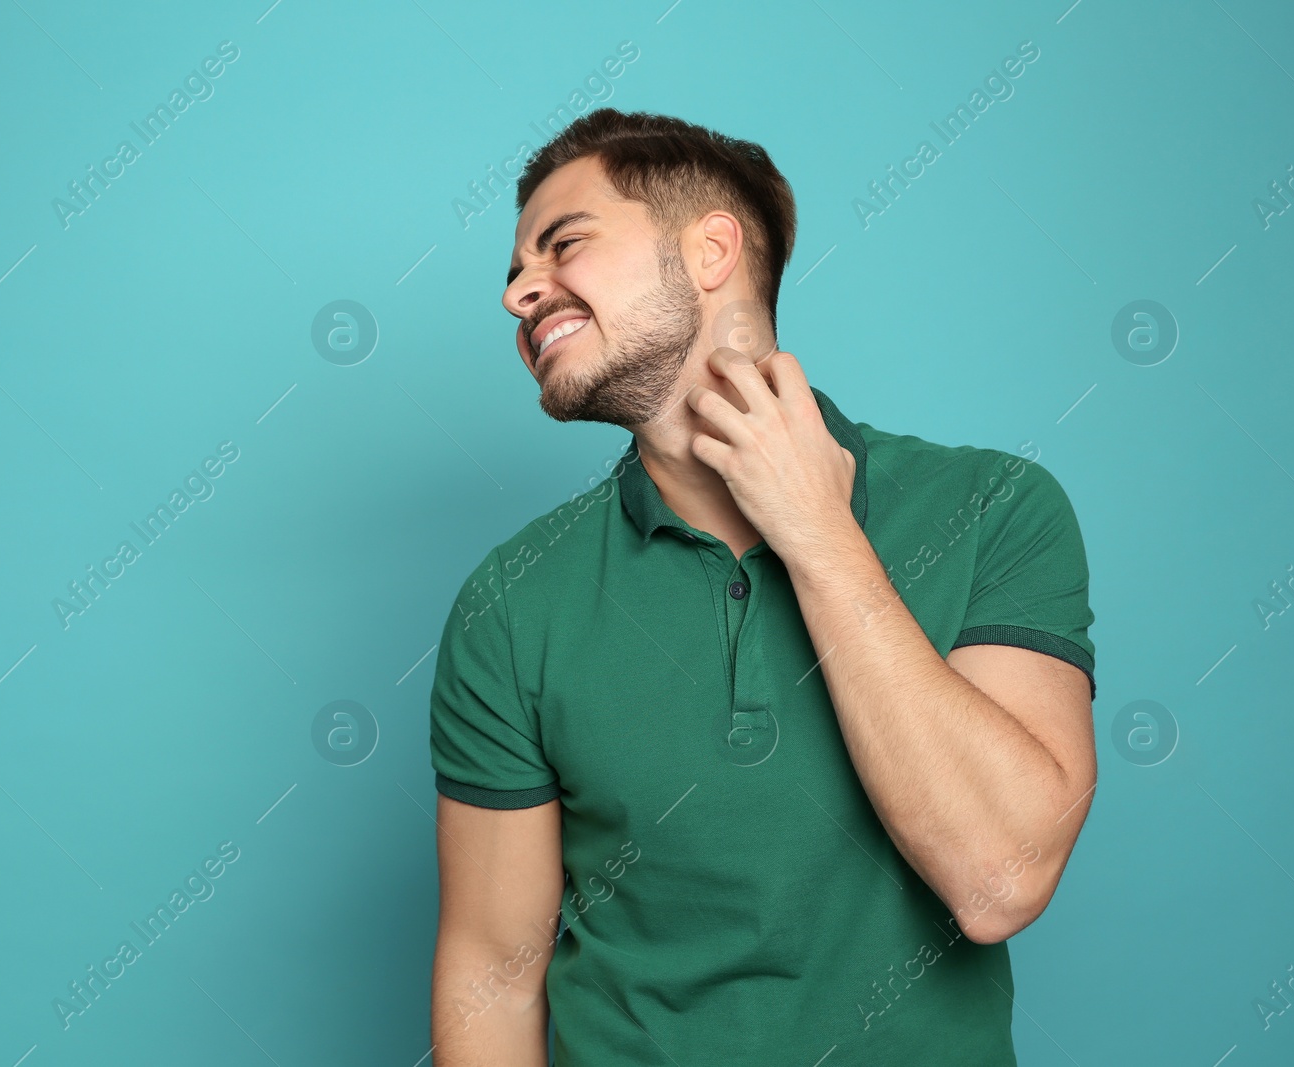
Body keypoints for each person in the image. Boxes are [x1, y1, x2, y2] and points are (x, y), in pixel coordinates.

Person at [428, 108, 1097, 1066]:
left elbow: (1002, 881)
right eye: (512, 272)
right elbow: (490, 972)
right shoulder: (512, 599)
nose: (520, 293)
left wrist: (819, 534)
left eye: (561, 243)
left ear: (711, 250)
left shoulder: (994, 507)